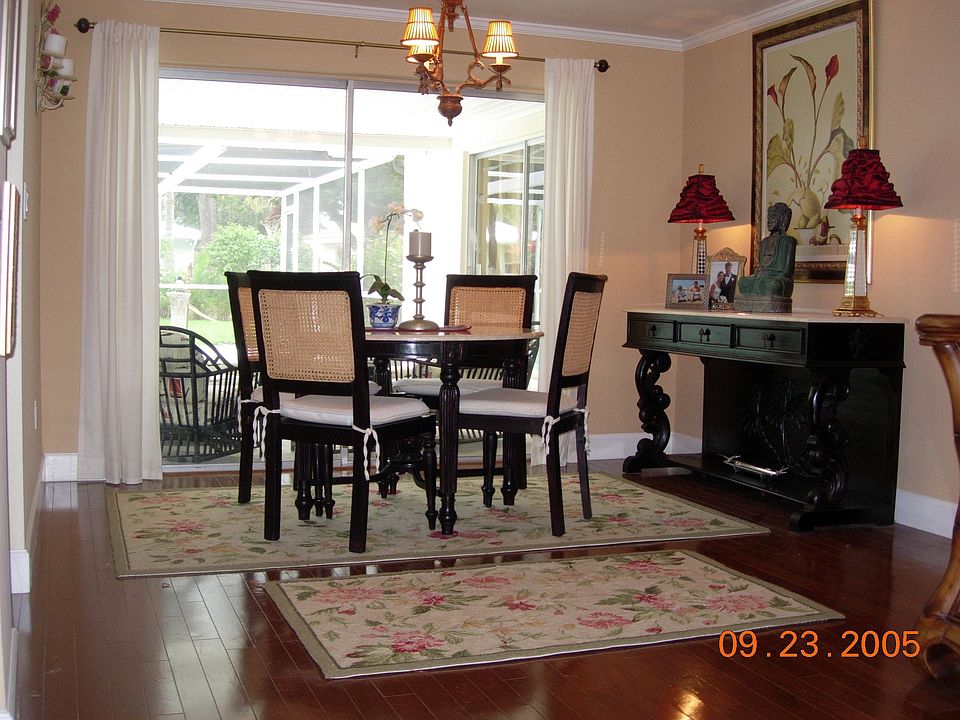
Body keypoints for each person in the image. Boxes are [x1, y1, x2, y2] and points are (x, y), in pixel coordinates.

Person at [738, 202, 798, 299]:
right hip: (763, 277)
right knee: (742, 282)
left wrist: (768, 274)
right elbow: (761, 266)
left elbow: (786, 272)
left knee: (774, 286)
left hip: (778, 279)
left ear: (782, 219)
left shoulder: (788, 242)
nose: (769, 221)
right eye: (768, 218)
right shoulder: (764, 242)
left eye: (773, 217)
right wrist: (759, 273)